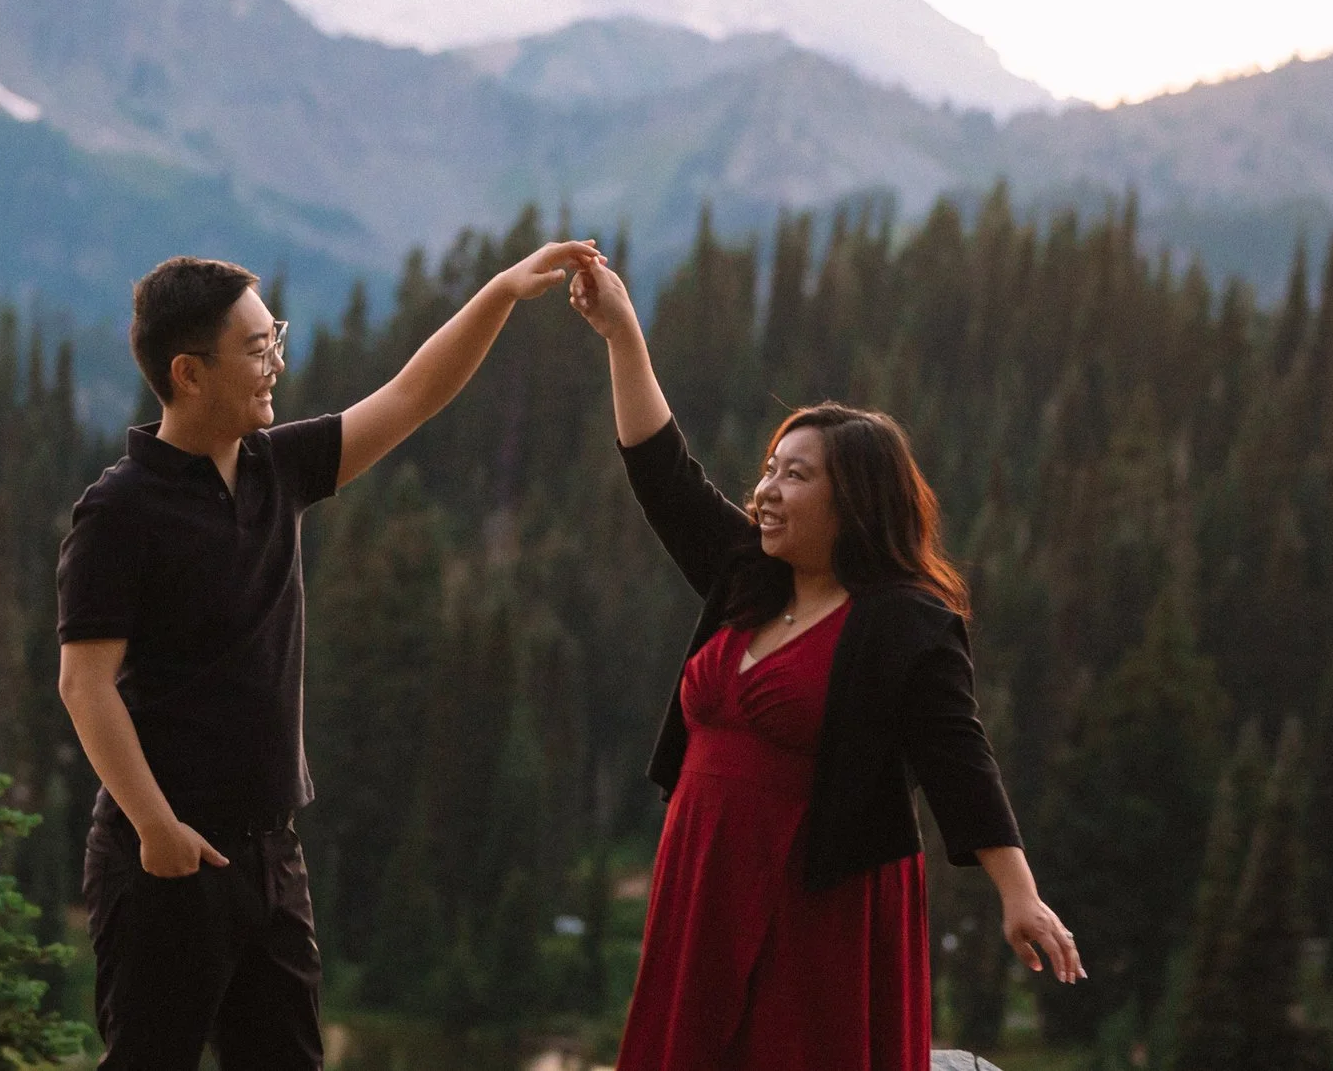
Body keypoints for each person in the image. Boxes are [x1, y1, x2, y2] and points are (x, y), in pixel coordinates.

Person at [57, 241, 600, 1071]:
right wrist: (154, 826)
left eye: (275, 336)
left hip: (272, 849)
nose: (276, 361)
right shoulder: (120, 510)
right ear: (189, 373)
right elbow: (85, 684)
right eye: (256, 347)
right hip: (166, 856)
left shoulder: (280, 467)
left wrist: (498, 292)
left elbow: (414, 394)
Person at [567, 252, 1083, 1070]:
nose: (766, 488)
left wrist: (1018, 893)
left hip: (818, 894)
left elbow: (959, 758)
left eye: (795, 475)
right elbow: (663, 472)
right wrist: (622, 333)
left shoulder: (905, 621)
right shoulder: (747, 574)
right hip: (702, 871)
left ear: (855, 502)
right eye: (769, 467)